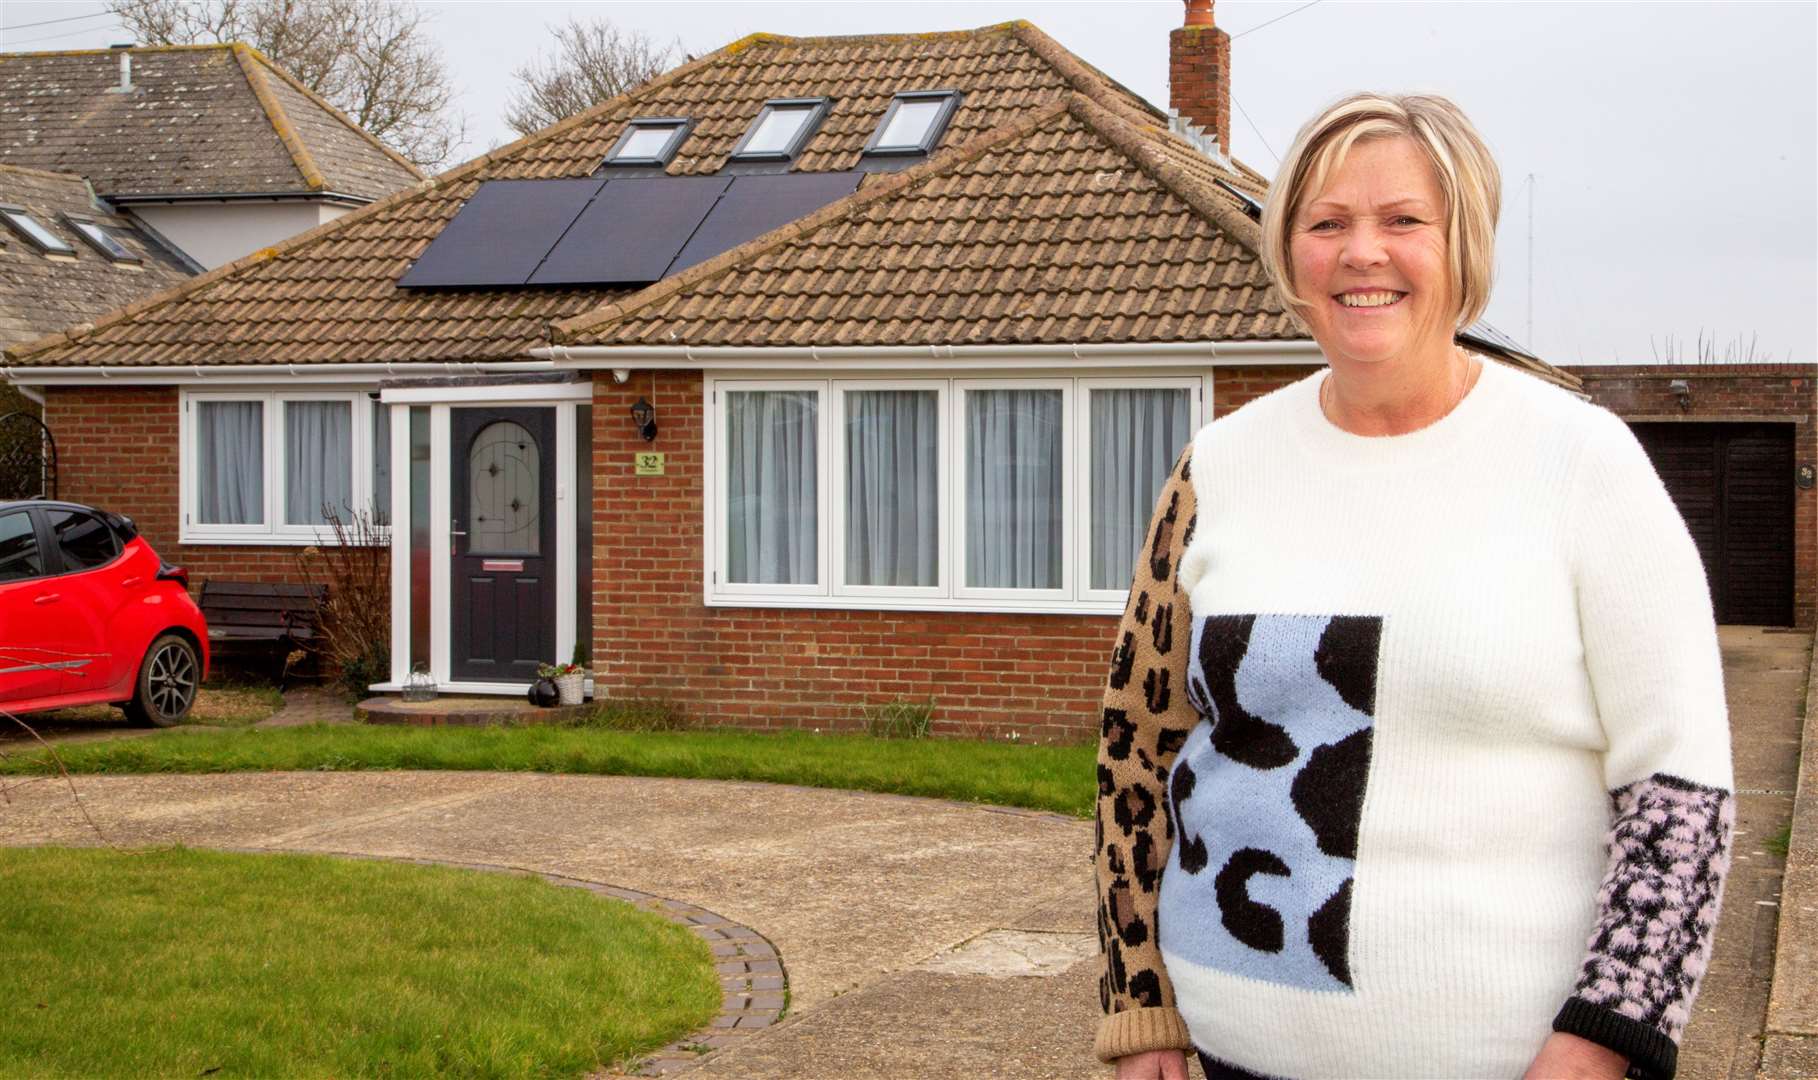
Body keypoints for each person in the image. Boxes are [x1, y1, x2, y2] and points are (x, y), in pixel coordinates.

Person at [1092, 92, 1733, 1080]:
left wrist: (1607, 1042)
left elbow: (1682, 791)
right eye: (1327, 222)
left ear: (1462, 243)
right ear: (1288, 249)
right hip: (1225, 1056)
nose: (1363, 253)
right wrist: (1141, 1008)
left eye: (1403, 221)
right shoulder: (1216, 467)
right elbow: (1138, 756)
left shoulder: (1580, 463)